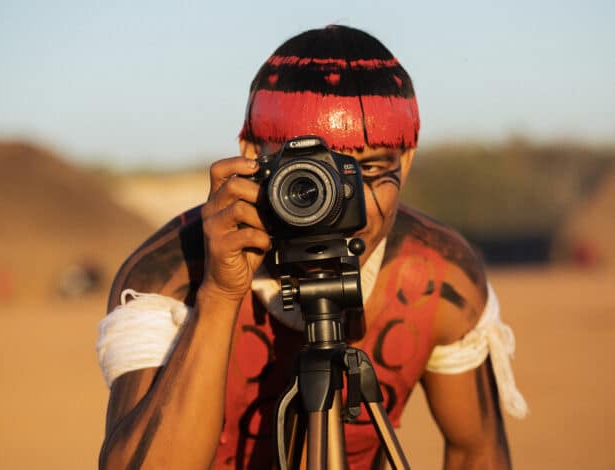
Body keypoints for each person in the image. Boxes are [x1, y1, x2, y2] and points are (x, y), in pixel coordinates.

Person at [97, 25, 527, 469]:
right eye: (307, 176)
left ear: (406, 160)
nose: (338, 202)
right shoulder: (170, 273)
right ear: (252, 153)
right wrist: (220, 295)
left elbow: (477, 452)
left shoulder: (437, 273)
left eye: (367, 170)